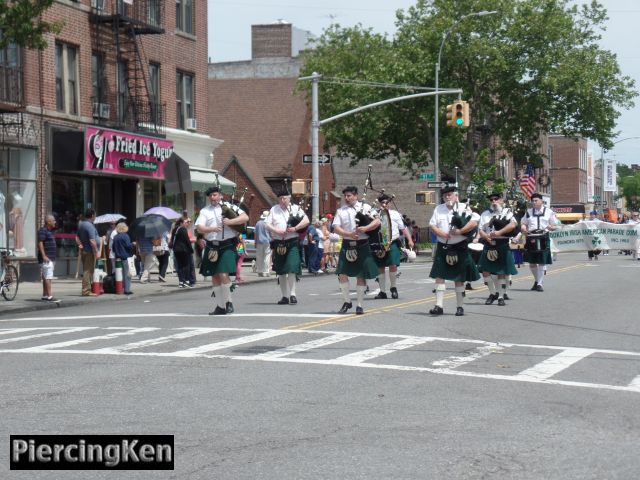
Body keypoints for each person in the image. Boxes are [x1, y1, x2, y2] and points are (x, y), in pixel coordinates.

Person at [428, 185, 480, 316]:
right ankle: (438, 305)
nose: (447, 196)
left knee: (459, 277)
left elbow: (474, 222)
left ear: (456, 195)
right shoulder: (438, 208)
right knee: (440, 276)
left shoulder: (463, 207)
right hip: (443, 246)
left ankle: (460, 306)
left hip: (459, 246)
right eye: (445, 195)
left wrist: (460, 231)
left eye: (450, 194)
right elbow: (432, 225)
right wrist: (441, 233)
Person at [196, 186, 248, 315]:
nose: (213, 198)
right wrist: (212, 229)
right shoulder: (204, 211)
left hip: (227, 245)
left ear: (220, 196)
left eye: (215, 195)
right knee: (214, 276)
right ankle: (220, 306)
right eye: (211, 196)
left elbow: (245, 217)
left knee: (223, 273)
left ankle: (229, 302)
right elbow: (199, 228)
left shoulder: (230, 207)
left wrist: (230, 221)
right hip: (211, 246)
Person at [332, 186, 381, 315]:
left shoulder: (366, 208)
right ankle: (347, 301)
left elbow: (377, 221)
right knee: (342, 273)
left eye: (349, 196)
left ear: (356, 196)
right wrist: (348, 234)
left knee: (361, 275)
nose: (347, 198)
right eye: (345, 196)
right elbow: (336, 227)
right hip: (347, 244)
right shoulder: (341, 211)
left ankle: (359, 305)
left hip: (363, 244)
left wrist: (366, 228)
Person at [265, 190, 310, 305]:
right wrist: (277, 231)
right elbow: (267, 224)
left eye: (284, 198)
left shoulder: (295, 208)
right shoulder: (274, 209)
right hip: (279, 242)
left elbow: (306, 221)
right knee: (280, 271)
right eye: (280, 198)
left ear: (289, 198)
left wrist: (295, 228)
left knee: (291, 268)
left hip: (292, 242)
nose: (282, 201)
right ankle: (284, 296)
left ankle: (293, 294)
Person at [478, 192, 518, 306]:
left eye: (496, 199)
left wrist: (499, 232)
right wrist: (486, 237)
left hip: (502, 244)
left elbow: (513, 225)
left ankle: (500, 296)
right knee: (485, 271)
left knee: (501, 272)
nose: (493, 201)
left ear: (501, 200)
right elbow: (480, 229)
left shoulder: (507, 212)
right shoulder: (485, 214)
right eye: (491, 200)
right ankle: (492, 293)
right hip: (489, 244)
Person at [373, 194, 414, 300]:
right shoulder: (375, 214)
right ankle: (382, 292)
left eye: (386, 202)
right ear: (379, 203)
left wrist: (409, 240)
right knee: (380, 267)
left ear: (390, 203)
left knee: (393, 265)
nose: (384, 204)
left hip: (393, 242)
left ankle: (393, 288)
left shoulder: (395, 214)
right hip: (380, 244)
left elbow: (403, 228)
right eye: (382, 202)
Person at [520, 193, 559, 292]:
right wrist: (524, 228)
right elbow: (523, 223)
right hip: (531, 237)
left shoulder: (549, 212)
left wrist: (551, 227)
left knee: (542, 261)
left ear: (541, 201)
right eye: (532, 201)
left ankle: (540, 284)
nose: (534, 202)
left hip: (543, 237)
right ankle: (537, 281)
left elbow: (555, 225)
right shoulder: (528, 212)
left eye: (536, 200)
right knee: (532, 262)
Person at [76, 208, 100, 296]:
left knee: (88, 270)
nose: (95, 217)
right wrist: (96, 252)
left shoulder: (82, 224)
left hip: (85, 250)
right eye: (95, 215)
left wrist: (80, 244)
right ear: (92, 215)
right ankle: (86, 291)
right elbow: (92, 241)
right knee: (88, 271)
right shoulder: (89, 225)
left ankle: (88, 289)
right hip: (89, 251)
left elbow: (77, 237)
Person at [37, 214, 58, 302]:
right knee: (48, 277)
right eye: (53, 220)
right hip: (46, 258)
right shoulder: (43, 230)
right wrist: (44, 255)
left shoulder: (49, 231)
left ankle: (45, 295)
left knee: (46, 276)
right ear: (48, 222)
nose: (55, 222)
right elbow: (40, 243)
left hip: (50, 258)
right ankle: (49, 295)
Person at [170, 217, 195, 288]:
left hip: (176, 250)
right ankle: (186, 281)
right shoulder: (183, 229)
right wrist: (191, 250)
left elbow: (172, 239)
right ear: (181, 223)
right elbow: (187, 241)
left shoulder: (175, 229)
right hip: (184, 250)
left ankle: (181, 282)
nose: (186, 223)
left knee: (179, 266)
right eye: (185, 222)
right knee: (186, 265)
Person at [111, 221, 134, 295]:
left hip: (117, 258)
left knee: (120, 274)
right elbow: (128, 246)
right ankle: (127, 290)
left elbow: (113, 249)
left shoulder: (115, 237)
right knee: (127, 274)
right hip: (125, 257)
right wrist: (133, 244)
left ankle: (121, 288)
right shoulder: (125, 236)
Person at [254, 210, 272, 277]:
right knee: (267, 256)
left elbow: (255, 233)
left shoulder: (258, 223)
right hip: (267, 241)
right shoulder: (268, 223)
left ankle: (260, 271)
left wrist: (255, 242)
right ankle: (266, 271)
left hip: (259, 242)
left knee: (259, 256)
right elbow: (271, 233)